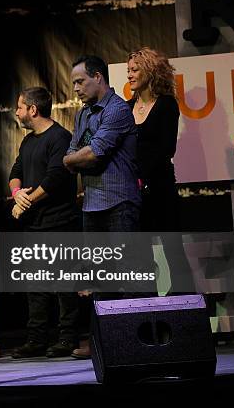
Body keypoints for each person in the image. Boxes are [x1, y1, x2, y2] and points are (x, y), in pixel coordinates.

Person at [63, 55, 142, 358]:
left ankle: (135, 341)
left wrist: (75, 159)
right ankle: (104, 342)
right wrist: (75, 158)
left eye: (80, 81)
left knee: (127, 277)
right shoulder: (83, 115)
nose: (76, 88)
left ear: (98, 77)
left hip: (119, 201)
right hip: (93, 205)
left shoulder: (118, 109)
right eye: (73, 83)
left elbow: (94, 154)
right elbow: (71, 154)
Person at [9, 87, 81, 358]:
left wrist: (27, 201)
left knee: (64, 285)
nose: (16, 112)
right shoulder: (28, 141)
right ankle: (36, 338)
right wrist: (17, 196)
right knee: (35, 284)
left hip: (60, 222)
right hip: (34, 224)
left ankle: (68, 338)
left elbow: (55, 179)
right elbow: (16, 172)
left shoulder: (60, 138)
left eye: (19, 107)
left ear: (33, 110)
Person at [127, 47, 194, 293]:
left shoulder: (166, 105)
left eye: (135, 70)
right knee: (141, 254)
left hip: (160, 188)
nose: (130, 75)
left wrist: (141, 176)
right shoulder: (125, 108)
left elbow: (166, 149)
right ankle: (148, 309)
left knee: (173, 249)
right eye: (128, 71)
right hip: (134, 194)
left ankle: (184, 307)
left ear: (150, 71)